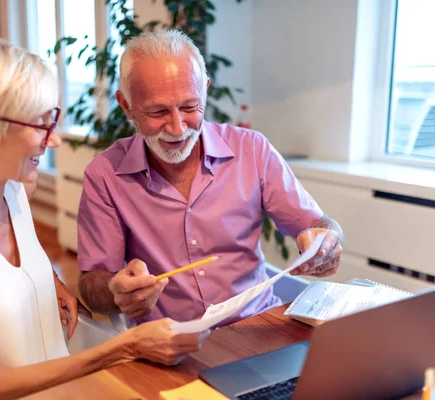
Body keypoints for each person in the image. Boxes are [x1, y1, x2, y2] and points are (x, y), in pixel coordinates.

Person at [0, 38, 209, 400]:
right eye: (41, 124)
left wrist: (45, 283)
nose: (54, 140)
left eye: (53, 119)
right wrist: (128, 345)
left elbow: (1, 273)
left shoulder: (15, 194)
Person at [77, 30, 344, 325]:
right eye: (158, 111)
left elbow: (319, 225)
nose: (178, 128)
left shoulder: (251, 150)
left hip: (257, 327)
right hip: (170, 343)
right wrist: (115, 291)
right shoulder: (105, 175)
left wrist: (326, 242)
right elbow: (92, 285)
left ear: (205, 89)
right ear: (126, 105)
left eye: (190, 106)